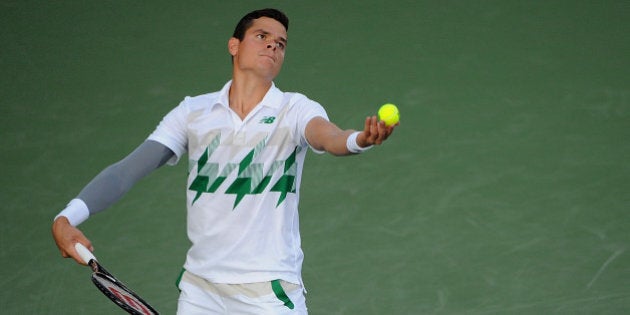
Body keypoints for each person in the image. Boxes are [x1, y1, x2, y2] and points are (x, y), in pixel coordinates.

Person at [52, 8, 397, 314]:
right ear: (234, 45)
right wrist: (68, 217)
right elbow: (127, 171)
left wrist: (359, 140)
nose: (273, 46)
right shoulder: (193, 112)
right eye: (262, 36)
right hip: (201, 291)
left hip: (268, 292)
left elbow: (330, 136)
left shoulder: (295, 109)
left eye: (281, 43)